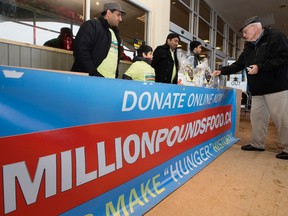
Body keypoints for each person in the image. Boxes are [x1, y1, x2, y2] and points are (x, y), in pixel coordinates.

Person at [212, 16, 288, 160]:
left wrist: (261, 67)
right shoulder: (249, 47)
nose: (244, 36)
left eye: (245, 32)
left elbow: (284, 57)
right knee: (257, 119)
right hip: (258, 90)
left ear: (255, 27)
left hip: (277, 87)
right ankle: (257, 144)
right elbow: (239, 64)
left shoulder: (275, 37)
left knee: (283, 119)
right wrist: (222, 71)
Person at [71, 2, 126, 78]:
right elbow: (80, 50)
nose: (120, 19)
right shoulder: (92, 25)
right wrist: (94, 74)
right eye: (118, 15)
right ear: (109, 13)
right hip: (91, 80)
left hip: (109, 81)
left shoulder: (115, 34)